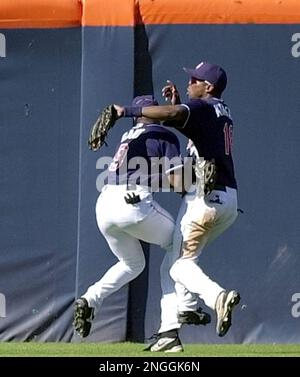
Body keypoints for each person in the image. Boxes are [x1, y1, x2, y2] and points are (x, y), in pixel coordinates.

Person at [113, 62, 241, 351]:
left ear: (208, 87)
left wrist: (127, 112)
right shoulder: (219, 111)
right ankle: (172, 330)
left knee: (180, 265)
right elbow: (183, 117)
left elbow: (171, 115)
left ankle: (216, 297)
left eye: (194, 79)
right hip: (228, 201)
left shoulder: (205, 107)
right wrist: (179, 104)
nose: (189, 83)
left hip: (203, 199)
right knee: (174, 263)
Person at [73, 95, 200, 351]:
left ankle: (90, 299)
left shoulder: (128, 134)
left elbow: (150, 176)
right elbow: (178, 184)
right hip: (134, 203)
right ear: (155, 112)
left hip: (105, 204)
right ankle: (173, 325)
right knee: (182, 246)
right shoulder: (165, 136)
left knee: (133, 263)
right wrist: (194, 173)